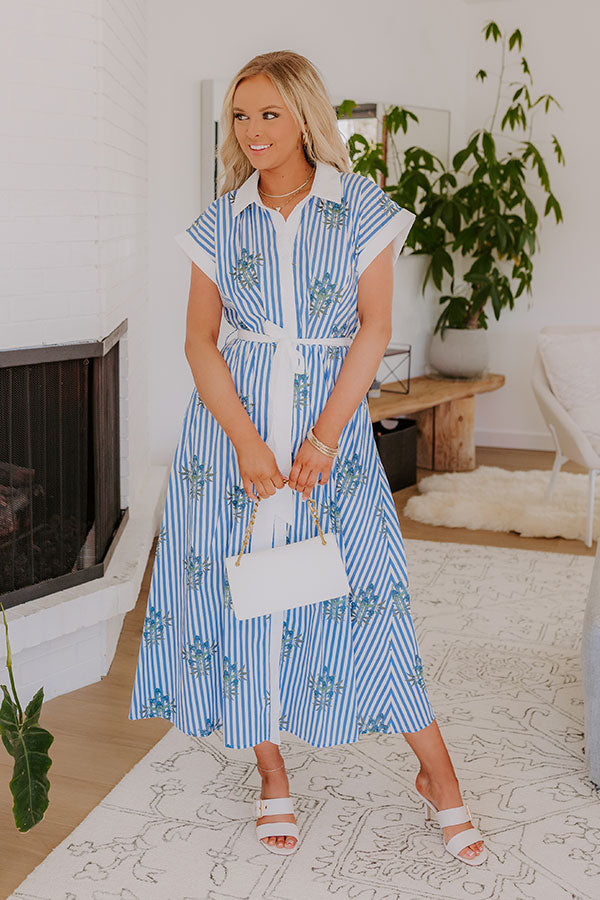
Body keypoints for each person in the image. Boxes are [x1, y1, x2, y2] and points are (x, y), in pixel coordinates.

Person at [128, 49, 487, 866]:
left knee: (370, 599)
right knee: (246, 598)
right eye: (241, 117)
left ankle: (440, 775)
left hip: (333, 441)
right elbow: (199, 341)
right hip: (230, 445)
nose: (253, 132)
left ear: (305, 117)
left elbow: (373, 327)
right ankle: (271, 770)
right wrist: (250, 446)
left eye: (270, 114)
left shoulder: (361, 208)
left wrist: (324, 437)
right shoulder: (219, 222)